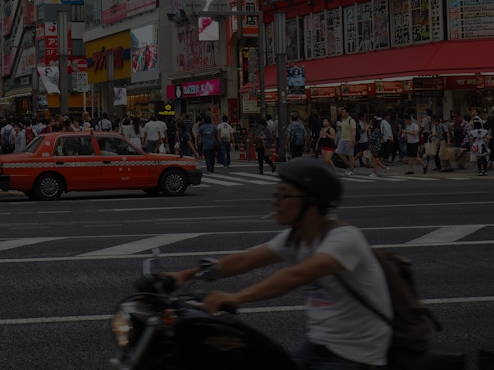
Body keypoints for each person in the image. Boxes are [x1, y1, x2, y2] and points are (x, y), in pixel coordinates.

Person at [162, 158, 391, 369]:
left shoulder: (344, 239)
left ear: (311, 201)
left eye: (284, 195)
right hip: (320, 344)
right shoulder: (297, 238)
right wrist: (184, 275)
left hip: (356, 354)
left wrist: (236, 297)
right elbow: (247, 260)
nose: (275, 202)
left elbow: (295, 276)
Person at [335, 107, 356, 175]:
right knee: (339, 152)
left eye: (344, 112)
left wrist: (351, 140)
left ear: (348, 113)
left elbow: (353, 131)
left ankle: (351, 170)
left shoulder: (351, 120)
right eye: (342, 112)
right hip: (342, 139)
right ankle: (348, 165)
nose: (342, 114)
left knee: (350, 155)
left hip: (349, 140)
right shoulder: (343, 120)